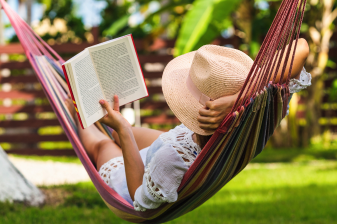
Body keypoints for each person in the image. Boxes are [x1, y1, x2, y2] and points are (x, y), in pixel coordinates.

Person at [65, 40, 311, 212]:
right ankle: (103, 116)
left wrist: (123, 131)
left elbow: (140, 199)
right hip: (180, 141)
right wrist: (240, 99)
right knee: (115, 131)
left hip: (137, 176)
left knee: (104, 144)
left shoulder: (170, 160)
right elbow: (302, 46)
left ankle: (74, 109)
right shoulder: (260, 113)